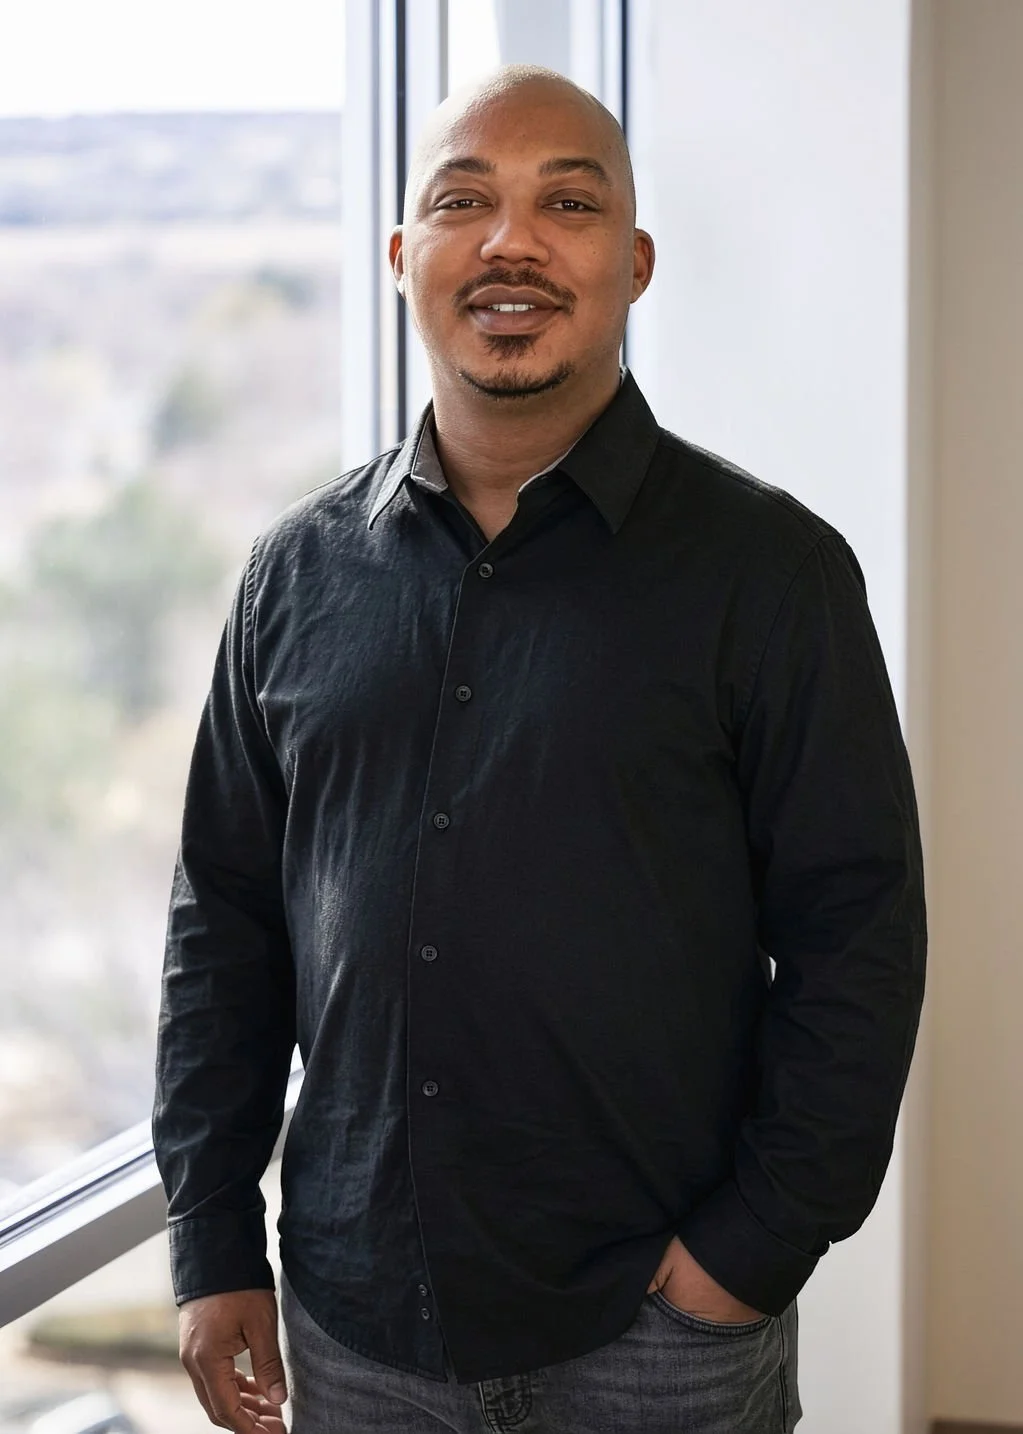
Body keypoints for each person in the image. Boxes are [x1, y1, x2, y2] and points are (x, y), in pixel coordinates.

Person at [153, 64, 926, 1434]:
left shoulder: (772, 573)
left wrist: (749, 1253)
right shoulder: (292, 577)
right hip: (358, 1330)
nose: (512, 240)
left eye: (566, 202)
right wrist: (214, 1237)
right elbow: (224, 925)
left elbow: (857, 933)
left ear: (630, 263)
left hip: (658, 1335)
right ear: (404, 258)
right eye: (464, 200)